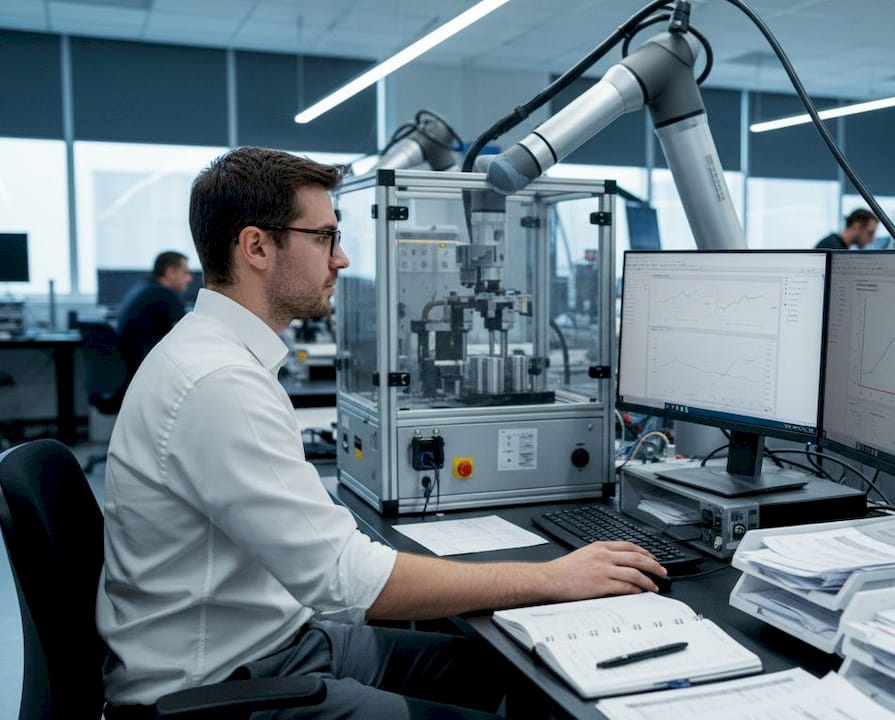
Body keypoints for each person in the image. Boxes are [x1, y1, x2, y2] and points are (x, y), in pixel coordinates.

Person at [97, 146, 667, 719]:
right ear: (256, 247)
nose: (341, 259)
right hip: (221, 691)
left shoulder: (214, 355)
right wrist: (551, 578)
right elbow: (347, 582)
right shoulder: (218, 382)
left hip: (281, 642)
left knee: (516, 676)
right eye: (323, 237)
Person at [115, 251, 193, 383]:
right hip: (145, 369)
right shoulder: (163, 294)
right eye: (185, 273)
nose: (189, 279)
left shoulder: (143, 288)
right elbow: (188, 332)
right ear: (171, 272)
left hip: (132, 367)